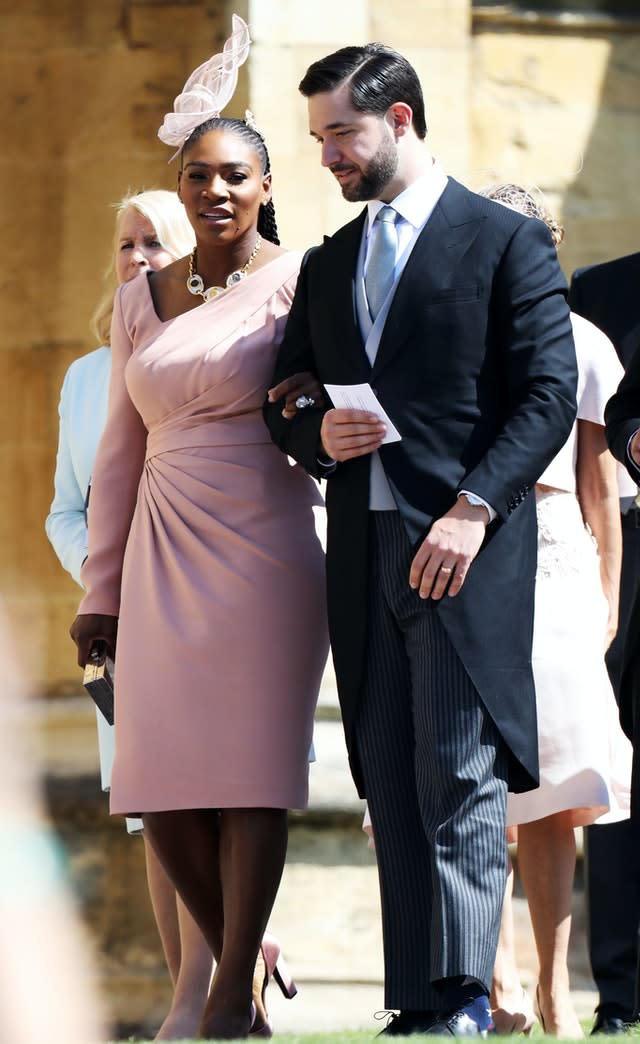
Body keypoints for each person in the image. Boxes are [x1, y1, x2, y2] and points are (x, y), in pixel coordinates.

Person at [264, 43, 577, 1038]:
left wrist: (473, 509)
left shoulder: (503, 242)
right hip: (359, 554)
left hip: (464, 553)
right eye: (317, 139)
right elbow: (284, 391)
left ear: (398, 120)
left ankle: (462, 1000)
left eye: (340, 134)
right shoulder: (328, 262)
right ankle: (413, 1000)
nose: (326, 157)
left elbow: (546, 397)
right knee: (389, 775)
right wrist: (314, 428)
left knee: (459, 774)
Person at [69, 15, 328, 1041]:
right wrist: (100, 593)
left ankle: (225, 1002)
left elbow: (334, 399)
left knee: (251, 772)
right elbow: (118, 455)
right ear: (179, 190)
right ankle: (237, 979)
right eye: (197, 177)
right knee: (159, 781)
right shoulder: (143, 297)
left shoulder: (306, 282)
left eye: (234, 175)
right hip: (159, 545)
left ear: (265, 186)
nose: (214, 191)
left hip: (266, 543)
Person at [46, 188, 215, 1041]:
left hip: (216, 606)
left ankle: (225, 989)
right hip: (125, 626)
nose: (138, 258)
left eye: (157, 243)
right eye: (126, 243)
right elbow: (64, 511)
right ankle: (193, 995)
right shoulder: (81, 377)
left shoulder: (217, 350)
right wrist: (106, 583)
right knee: (152, 809)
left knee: (223, 802)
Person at [477, 185, 633, 1038]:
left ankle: (554, 990)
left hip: (558, 557)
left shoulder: (582, 341)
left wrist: (606, 593)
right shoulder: (456, 331)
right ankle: (496, 987)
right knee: (478, 778)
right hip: (468, 554)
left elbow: (597, 486)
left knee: (559, 782)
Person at [569, 252, 640, 1035]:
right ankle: (620, 996)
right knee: (618, 768)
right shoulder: (601, 289)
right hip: (629, 556)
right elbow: (599, 416)